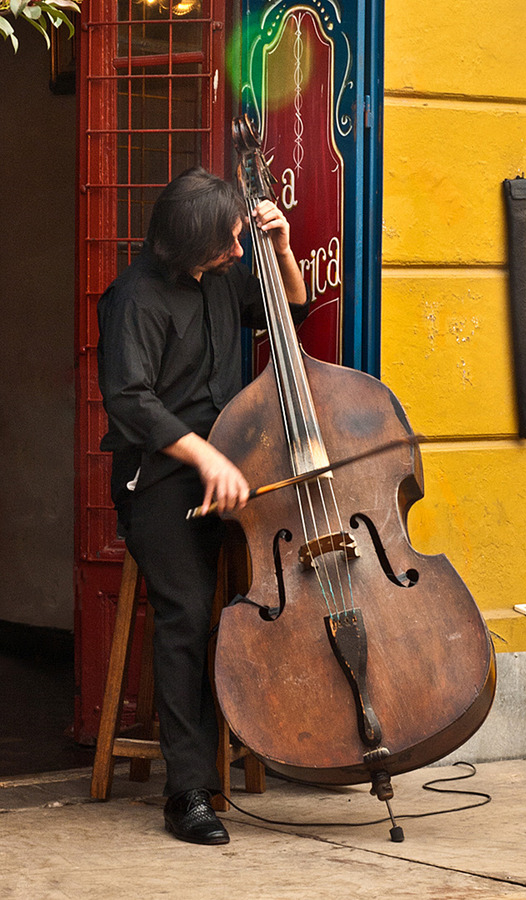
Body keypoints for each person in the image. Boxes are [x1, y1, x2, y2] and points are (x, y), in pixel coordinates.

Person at [97, 167, 309, 846]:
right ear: (190, 245)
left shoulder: (225, 275)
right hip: (164, 479)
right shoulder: (134, 299)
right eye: (229, 245)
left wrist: (282, 250)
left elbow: (290, 311)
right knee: (187, 614)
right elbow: (131, 402)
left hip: (237, 469)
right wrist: (205, 456)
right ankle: (188, 790)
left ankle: (302, 732)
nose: (237, 254)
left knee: (288, 584)